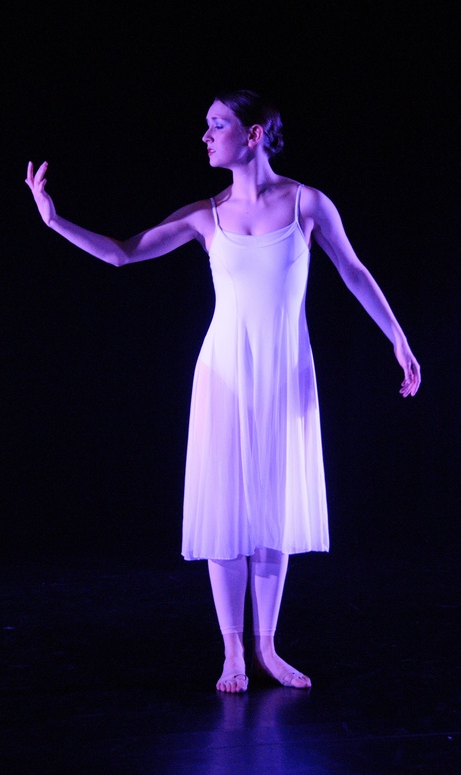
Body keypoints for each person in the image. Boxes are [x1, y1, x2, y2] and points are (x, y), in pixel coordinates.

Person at [26, 89, 421, 694]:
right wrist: (54, 220)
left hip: (285, 369)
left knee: (274, 507)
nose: (206, 136)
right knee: (226, 507)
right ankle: (233, 650)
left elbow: (354, 270)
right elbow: (122, 254)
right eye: (207, 126)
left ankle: (267, 646)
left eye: (218, 125)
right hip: (225, 373)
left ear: (254, 134)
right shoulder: (203, 216)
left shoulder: (307, 203)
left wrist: (397, 336)